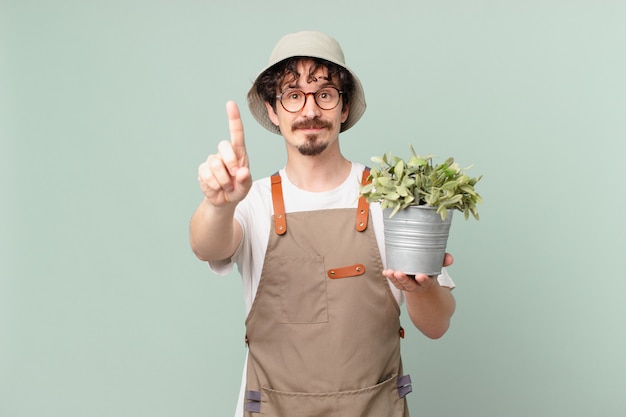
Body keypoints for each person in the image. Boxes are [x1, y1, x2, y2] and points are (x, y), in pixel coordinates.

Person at [190, 30, 456, 417]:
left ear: (343, 108)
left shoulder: (392, 199)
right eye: (293, 95)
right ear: (273, 109)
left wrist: (420, 288)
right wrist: (218, 204)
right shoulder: (251, 201)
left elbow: (437, 325)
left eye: (325, 94)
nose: (309, 110)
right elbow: (206, 246)